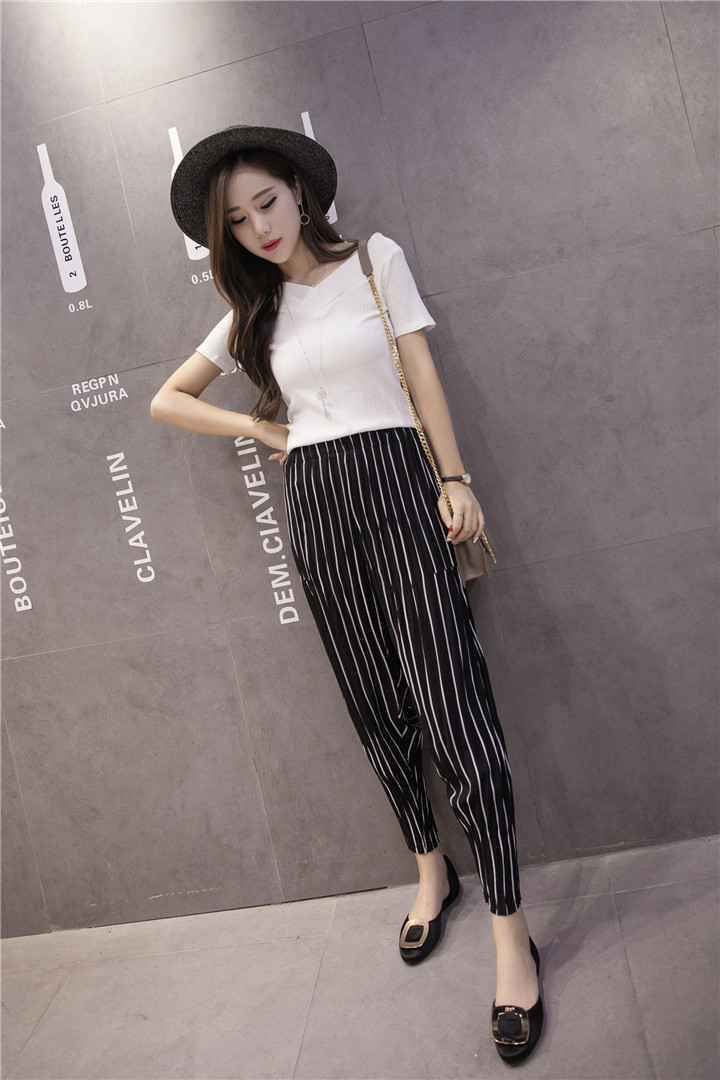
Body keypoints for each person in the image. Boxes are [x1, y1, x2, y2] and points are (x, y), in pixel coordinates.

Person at [152, 125, 544, 1063]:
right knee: (376, 703)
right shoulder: (253, 310)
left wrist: (454, 478)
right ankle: (429, 870)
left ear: (299, 189)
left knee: (456, 708)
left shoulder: (375, 260)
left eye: (267, 203)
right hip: (319, 500)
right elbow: (168, 398)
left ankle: (511, 933)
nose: (259, 227)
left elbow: (421, 372)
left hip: (401, 486)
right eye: (237, 221)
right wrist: (263, 431)